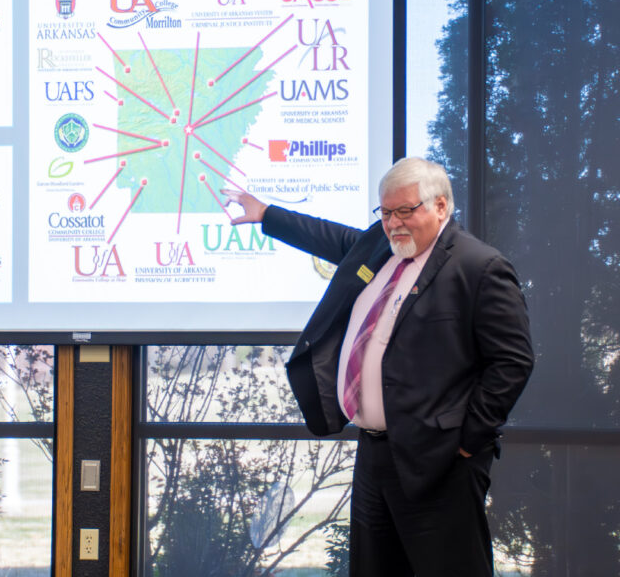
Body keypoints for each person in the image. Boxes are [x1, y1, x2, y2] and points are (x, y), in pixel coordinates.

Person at [223, 157, 533, 577]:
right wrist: (268, 215)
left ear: (441, 206)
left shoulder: (479, 267)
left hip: (438, 461)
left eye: (406, 210)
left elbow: (512, 362)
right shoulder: (379, 247)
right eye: (386, 212)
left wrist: (465, 441)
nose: (394, 223)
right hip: (374, 453)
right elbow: (331, 236)